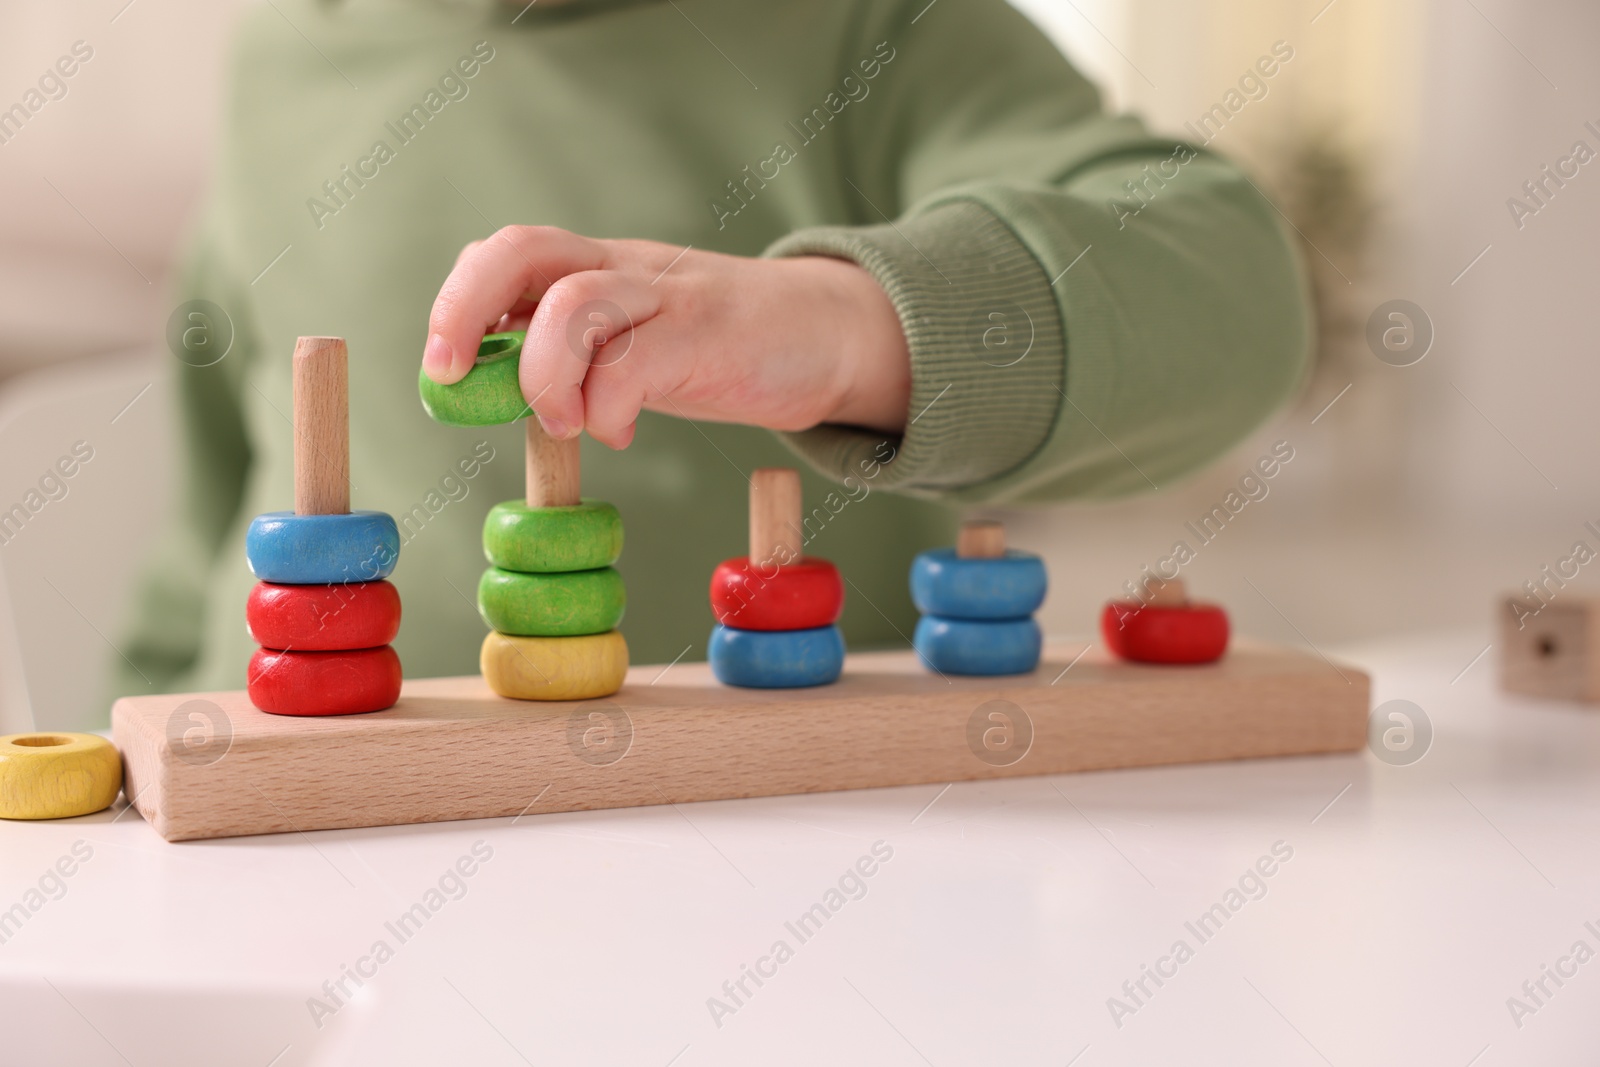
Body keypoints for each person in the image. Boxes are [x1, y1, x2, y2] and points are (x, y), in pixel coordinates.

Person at [110, 0, 1309, 700]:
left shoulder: (869, 29)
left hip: (776, 853)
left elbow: (1235, 291)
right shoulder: (280, 50)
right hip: (293, 859)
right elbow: (210, 509)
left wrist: (841, 325)